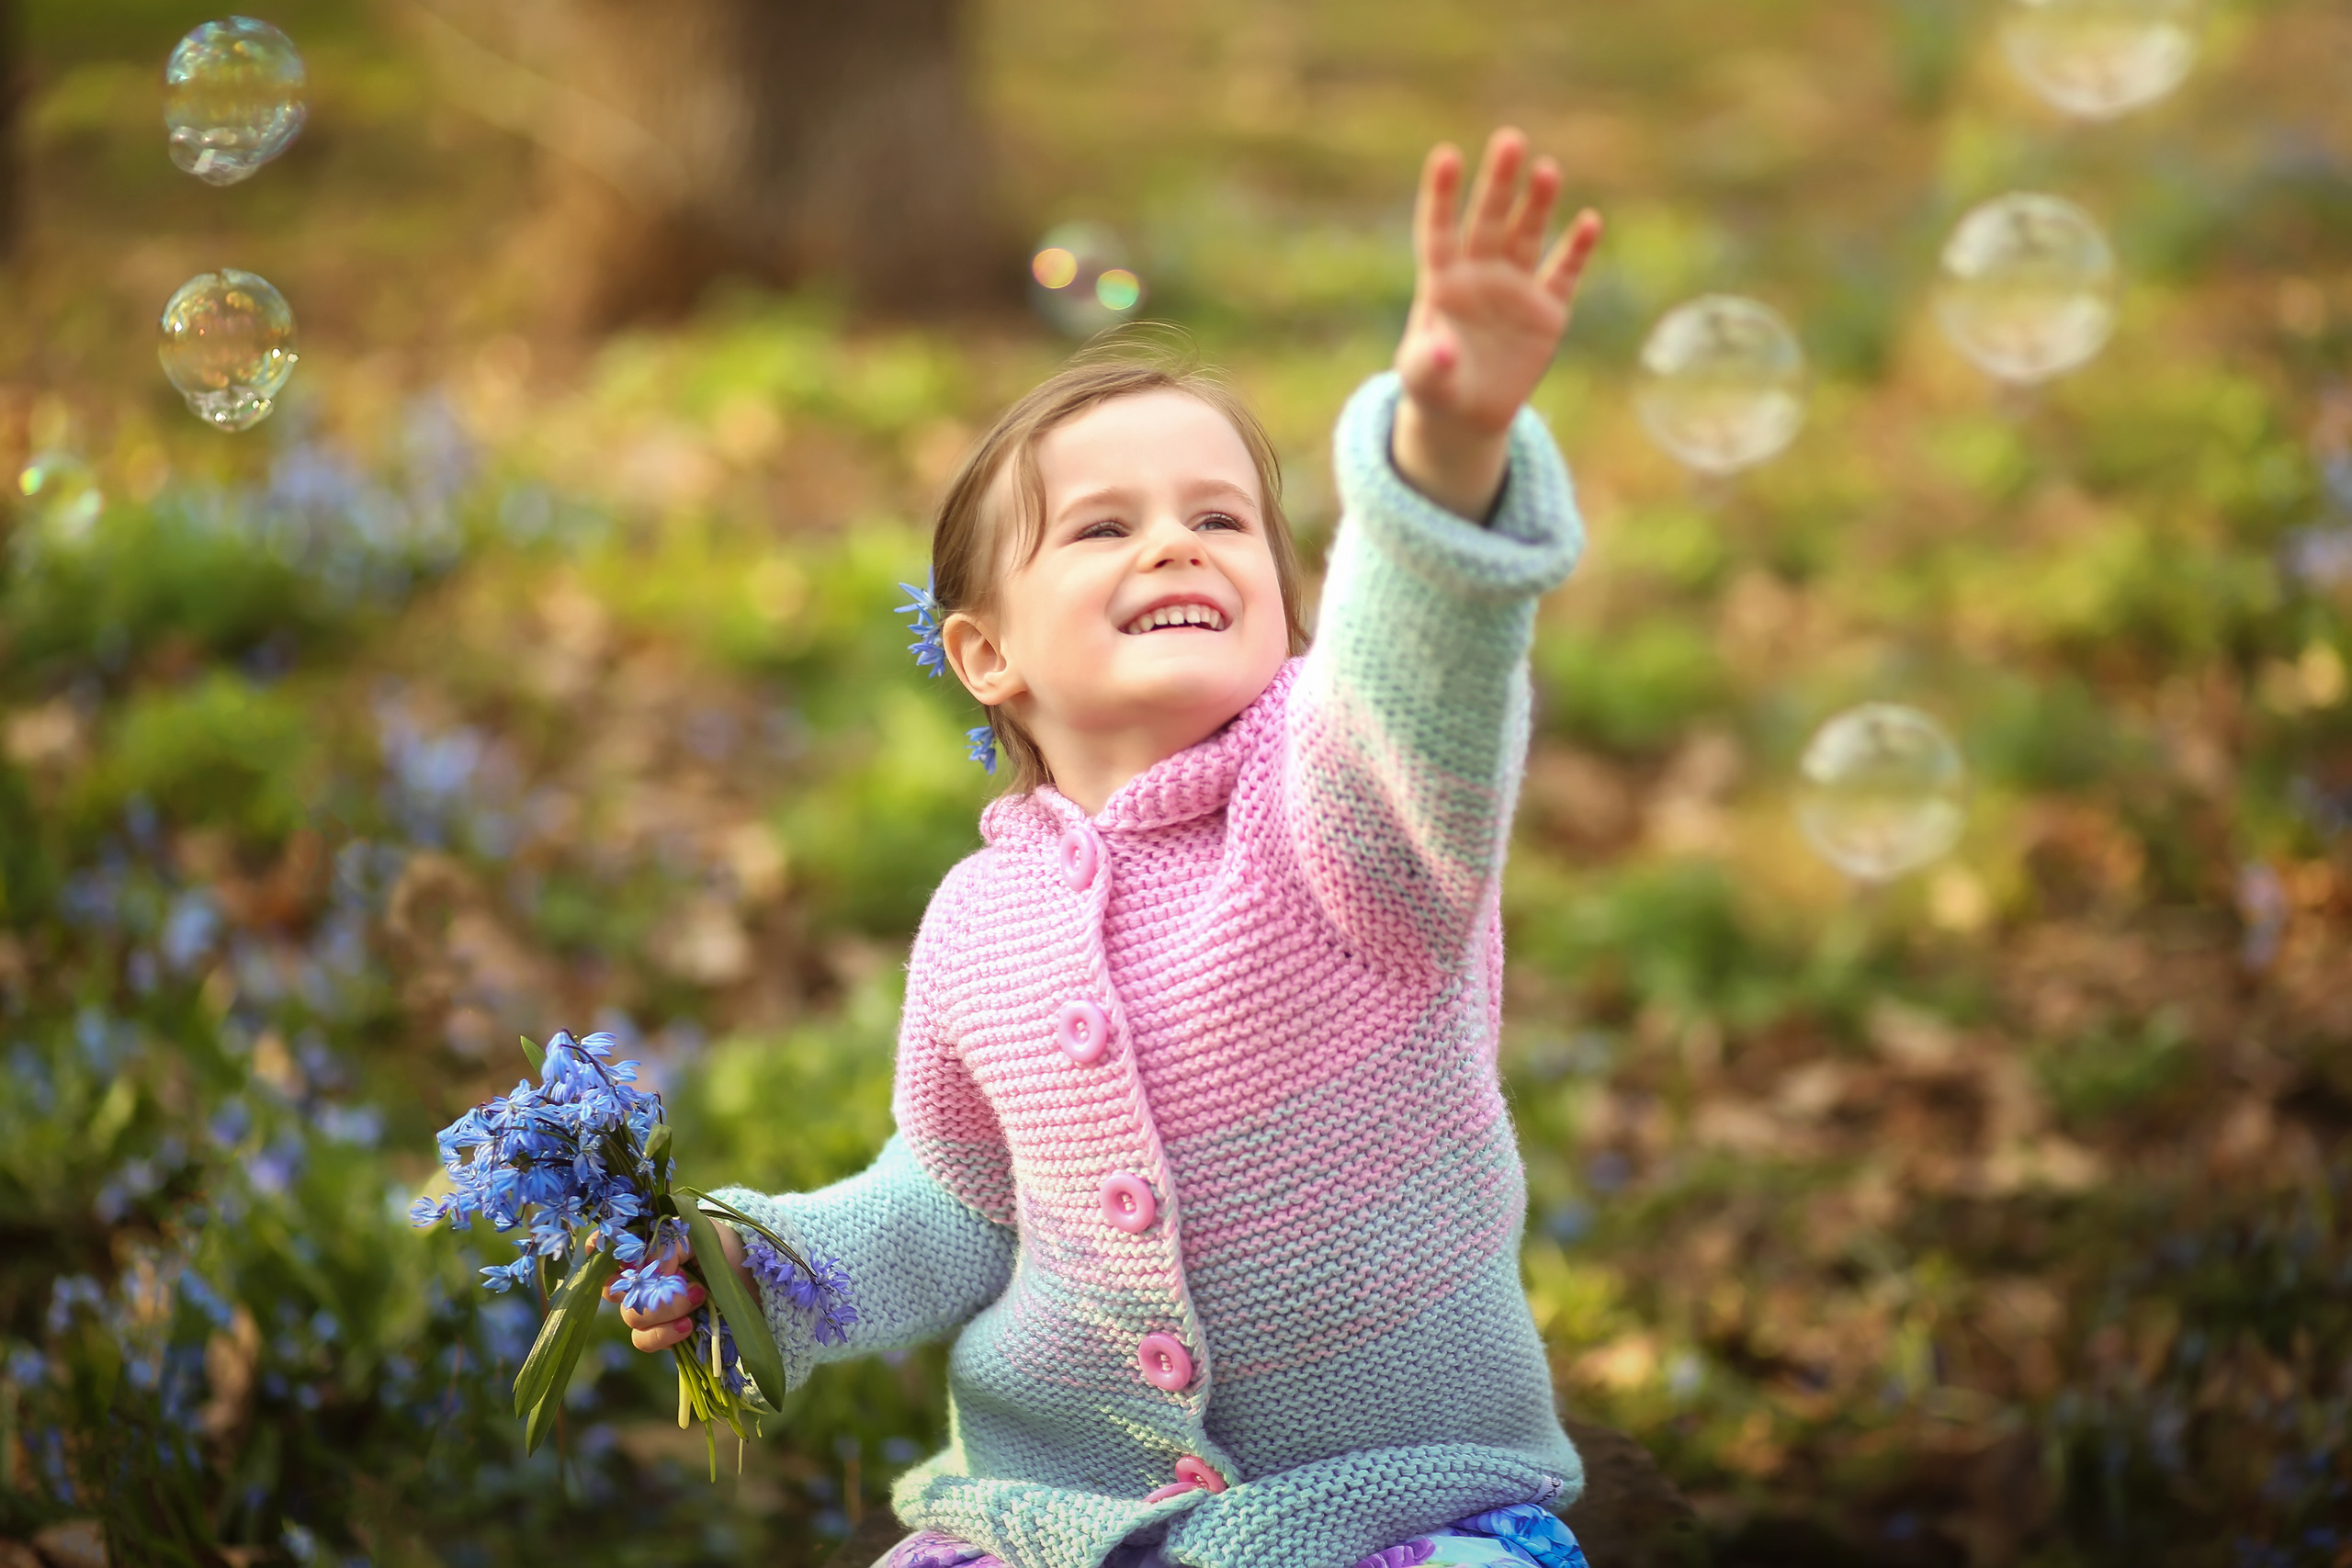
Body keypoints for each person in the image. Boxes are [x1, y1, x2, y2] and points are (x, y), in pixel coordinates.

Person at [621, 128, 1606, 1568]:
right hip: (1066, 1521)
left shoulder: (1340, 816)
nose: (1175, 544)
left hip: (1398, 1511)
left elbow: (1421, 684)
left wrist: (1446, 458)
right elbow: (955, 1201)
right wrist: (759, 1269)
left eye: (1222, 517)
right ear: (985, 654)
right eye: (1102, 527)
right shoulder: (981, 923)